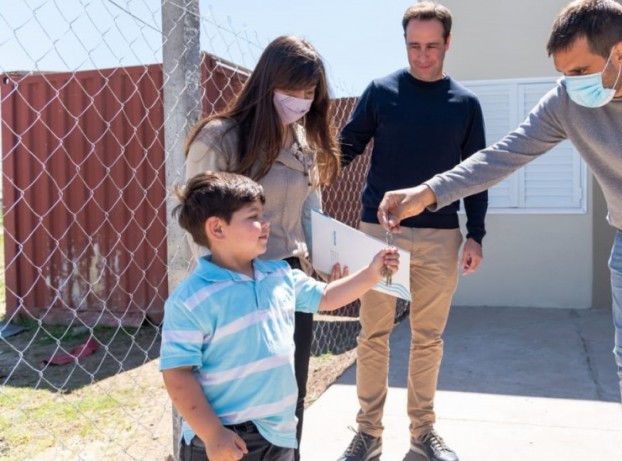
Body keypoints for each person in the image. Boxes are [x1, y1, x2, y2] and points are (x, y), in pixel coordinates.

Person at [378, 1, 622, 460]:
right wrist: (427, 192)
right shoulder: (569, 100)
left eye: (581, 70)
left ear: (619, 52)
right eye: (564, 73)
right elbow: (503, 155)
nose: (571, 83)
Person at [335, 3, 488, 461]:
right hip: (381, 235)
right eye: (414, 46)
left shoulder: (464, 104)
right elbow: (346, 145)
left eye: (432, 46)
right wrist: (310, 171)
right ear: (405, 43)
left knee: (428, 338)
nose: (423, 56)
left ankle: (423, 435)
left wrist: (476, 233)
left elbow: (476, 174)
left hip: (441, 237)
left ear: (447, 43)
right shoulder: (381, 92)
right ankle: (368, 434)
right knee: (373, 336)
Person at [161, 171, 399, 461]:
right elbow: (177, 375)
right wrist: (212, 434)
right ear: (217, 229)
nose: (265, 224)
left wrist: (372, 273)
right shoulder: (191, 300)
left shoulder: (280, 275)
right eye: (253, 217)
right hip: (225, 438)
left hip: (279, 433)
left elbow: (327, 297)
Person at [184, 36, 341, 460]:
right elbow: (196, 218)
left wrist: (331, 263)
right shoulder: (220, 138)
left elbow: (312, 214)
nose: (301, 102)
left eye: (310, 94)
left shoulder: (302, 143)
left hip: (288, 282)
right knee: (231, 397)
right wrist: (223, 283)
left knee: (289, 393)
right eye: (293, 91)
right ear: (266, 82)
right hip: (231, 285)